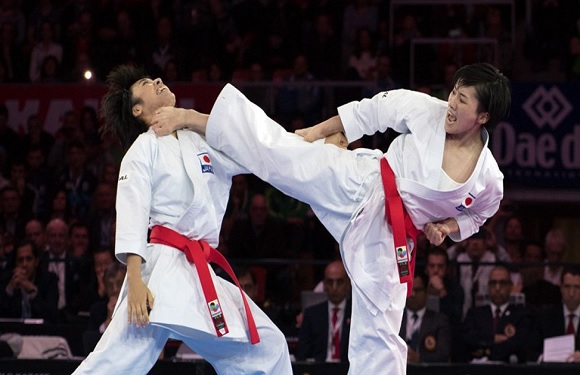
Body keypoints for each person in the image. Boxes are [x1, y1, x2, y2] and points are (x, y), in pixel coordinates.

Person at [152, 62, 511, 374]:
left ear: (482, 116)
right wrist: (313, 133)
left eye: (463, 101)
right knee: (281, 155)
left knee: (381, 335)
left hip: (391, 240)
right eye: (453, 92)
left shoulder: (488, 178)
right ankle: (195, 118)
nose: (451, 103)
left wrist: (447, 228)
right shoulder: (426, 110)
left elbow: (479, 215)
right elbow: (368, 112)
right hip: (362, 183)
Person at [72, 65, 291, 375]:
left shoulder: (198, 141)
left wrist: (311, 139)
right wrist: (134, 281)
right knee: (112, 363)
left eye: (156, 78)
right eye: (147, 83)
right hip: (159, 272)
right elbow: (132, 211)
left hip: (197, 270)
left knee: (267, 347)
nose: (158, 81)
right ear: (137, 109)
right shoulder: (143, 149)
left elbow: (256, 150)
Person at [462, 265, 532, 363]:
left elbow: (519, 343)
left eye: (502, 283)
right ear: (488, 286)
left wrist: (486, 349)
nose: (497, 288)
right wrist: (494, 338)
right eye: (493, 283)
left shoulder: (521, 315)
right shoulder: (475, 313)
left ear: (510, 286)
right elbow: (468, 339)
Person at [297, 260, 352, 363]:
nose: (334, 288)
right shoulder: (312, 314)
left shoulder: (357, 314)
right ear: (325, 285)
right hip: (319, 370)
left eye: (339, 282)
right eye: (330, 282)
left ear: (348, 284)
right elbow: (302, 355)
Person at [528, 265, 580, 363]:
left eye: (577, 287)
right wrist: (544, 359)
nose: (571, 293)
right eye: (567, 287)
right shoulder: (545, 317)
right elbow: (530, 350)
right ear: (561, 288)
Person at [0, 240, 59, 322]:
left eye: (29, 259)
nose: (24, 264)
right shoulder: (6, 280)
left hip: (42, 332)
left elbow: (50, 315)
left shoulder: (49, 280)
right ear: (16, 263)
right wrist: (9, 291)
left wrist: (31, 289)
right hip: (13, 331)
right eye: (20, 260)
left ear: (36, 261)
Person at [399, 271, 451, 363]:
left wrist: (419, 359)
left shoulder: (439, 320)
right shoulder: (396, 319)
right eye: (410, 290)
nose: (413, 295)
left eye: (418, 290)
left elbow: (443, 354)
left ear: (427, 292)